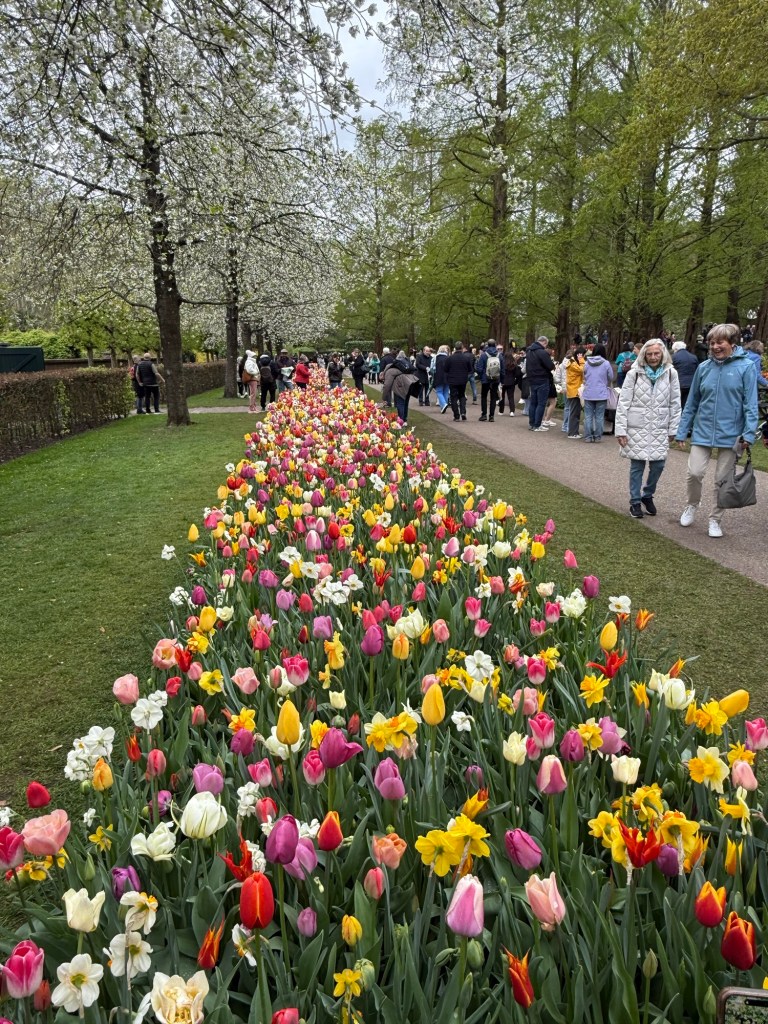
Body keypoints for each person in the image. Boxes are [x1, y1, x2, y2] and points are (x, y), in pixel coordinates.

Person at [676, 323, 759, 538]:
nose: (715, 346)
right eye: (712, 342)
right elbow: (692, 401)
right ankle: (692, 505)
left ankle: (715, 519)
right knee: (694, 473)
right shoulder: (703, 368)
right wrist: (682, 429)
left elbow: (750, 404)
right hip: (702, 430)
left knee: (722, 479)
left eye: (720, 342)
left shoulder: (746, 367)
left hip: (731, 434)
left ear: (732, 343)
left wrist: (749, 433)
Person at [614, 339, 681, 519]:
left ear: (663, 354)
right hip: (637, 426)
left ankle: (648, 494)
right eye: (649, 354)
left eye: (656, 354)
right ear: (644, 354)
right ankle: (635, 501)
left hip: (659, 426)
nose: (653, 357)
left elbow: (675, 403)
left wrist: (673, 428)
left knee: (658, 465)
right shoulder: (634, 374)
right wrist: (621, 430)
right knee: (637, 465)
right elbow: (623, 403)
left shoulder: (670, 374)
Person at [582, 343, 615, 442]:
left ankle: (588, 437)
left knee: (588, 416)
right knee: (599, 416)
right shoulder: (606, 363)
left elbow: (584, 376)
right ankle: (597, 437)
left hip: (589, 392)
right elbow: (611, 377)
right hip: (601, 393)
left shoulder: (587, 363)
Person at [525, 336, 556, 431]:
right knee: (541, 403)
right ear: (544, 342)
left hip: (532, 380)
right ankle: (537, 425)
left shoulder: (529, 352)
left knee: (533, 403)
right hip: (542, 379)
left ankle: (532, 423)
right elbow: (550, 366)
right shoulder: (542, 352)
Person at [381, 351, 419, 422]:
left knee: (400, 403)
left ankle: (401, 421)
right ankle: (404, 420)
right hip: (409, 385)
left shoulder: (390, 371)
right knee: (405, 403)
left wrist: (384, 397)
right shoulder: (405, 367)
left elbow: (387, 385)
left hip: (400, 387)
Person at [445, 342, 474, 421]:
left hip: (452, 380)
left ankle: (456, 415)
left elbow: (446, 369)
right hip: (462, 380)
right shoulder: (466, 358)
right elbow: (470, 370)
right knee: (462, 396)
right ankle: (463, 412)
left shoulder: (449, 358)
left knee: (453, 397)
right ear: (461, 347)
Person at [476, 338, 501, 422]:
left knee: (484, 396)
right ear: (495, 345)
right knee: (493, 397)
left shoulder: (483, 355)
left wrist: (481, 376)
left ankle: (484, 414)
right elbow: (503, 369)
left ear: (487, 345)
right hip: (496, 379)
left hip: (485, 379)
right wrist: (502, 379)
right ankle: (491, 416)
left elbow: (479, 368)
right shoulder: (499, 355)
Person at [671, 340, 699, 412]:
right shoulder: (693, 357)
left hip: (678, 384)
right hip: (691, 384)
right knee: (686, 404)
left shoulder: (673, 357)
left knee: (676, 404)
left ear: (676, 349)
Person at [565, 348, 586, 438]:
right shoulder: (573, 363)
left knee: (576, 412)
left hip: (574, 390)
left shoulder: (572, 362)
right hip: (574, 390)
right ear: (579, 355)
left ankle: (574, 432)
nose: (585, 357)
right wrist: (581, 360)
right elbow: (583, 369)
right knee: (574, 413)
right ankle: (572, 433)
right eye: (583, 355)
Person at [498, 349, 523, 415]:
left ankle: (501, 411)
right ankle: (512, 411)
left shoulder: (502, 364)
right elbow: (517, 374)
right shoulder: (514, 365)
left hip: (503, 382)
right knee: (511, 397)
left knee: (502, 397)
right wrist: (515, 381)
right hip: (511, 382)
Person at [433, 344, 450, 412]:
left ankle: (443, 404)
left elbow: (433, 368)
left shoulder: (435, 358)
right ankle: (443, 407)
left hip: (438, 376)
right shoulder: (448, 358)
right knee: (446, 391)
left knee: (439, 391)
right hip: (447, 376)